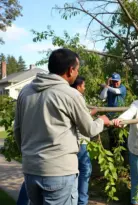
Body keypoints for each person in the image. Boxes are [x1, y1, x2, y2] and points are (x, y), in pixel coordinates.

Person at [14, 48, 110, 205]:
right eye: (77, 70)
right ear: (70, 70)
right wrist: (102, 120)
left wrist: (29, 156)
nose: (77, 73)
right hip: (59, 172)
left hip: (30, 169)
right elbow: (89, 129)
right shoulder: (70, 94)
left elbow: (17, 129)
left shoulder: (25, 91)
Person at [71, 76, 97, 205]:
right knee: (85, 171)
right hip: (81, 141)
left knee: (76, 172)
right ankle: (81, 201)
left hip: (75, 142)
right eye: (84, 85)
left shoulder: (70, 97)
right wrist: (98, 119)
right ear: (78, 86)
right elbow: (84, 123)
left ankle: (76, 200)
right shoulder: (77, 98)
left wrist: (89, 113)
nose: (85, 88)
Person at [99, 73, 127, 148]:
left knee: (121, 136)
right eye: (114, 81)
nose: (115, 83)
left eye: (117, 81)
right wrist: (107, 86)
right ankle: (112, 151)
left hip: (120, 115)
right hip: (110, 115)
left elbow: (117, 92)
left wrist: (107, 86)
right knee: (111, 135)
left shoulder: (122, 87)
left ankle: (123, 155)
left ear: (120, 81)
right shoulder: (109, 87)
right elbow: (102, 97)